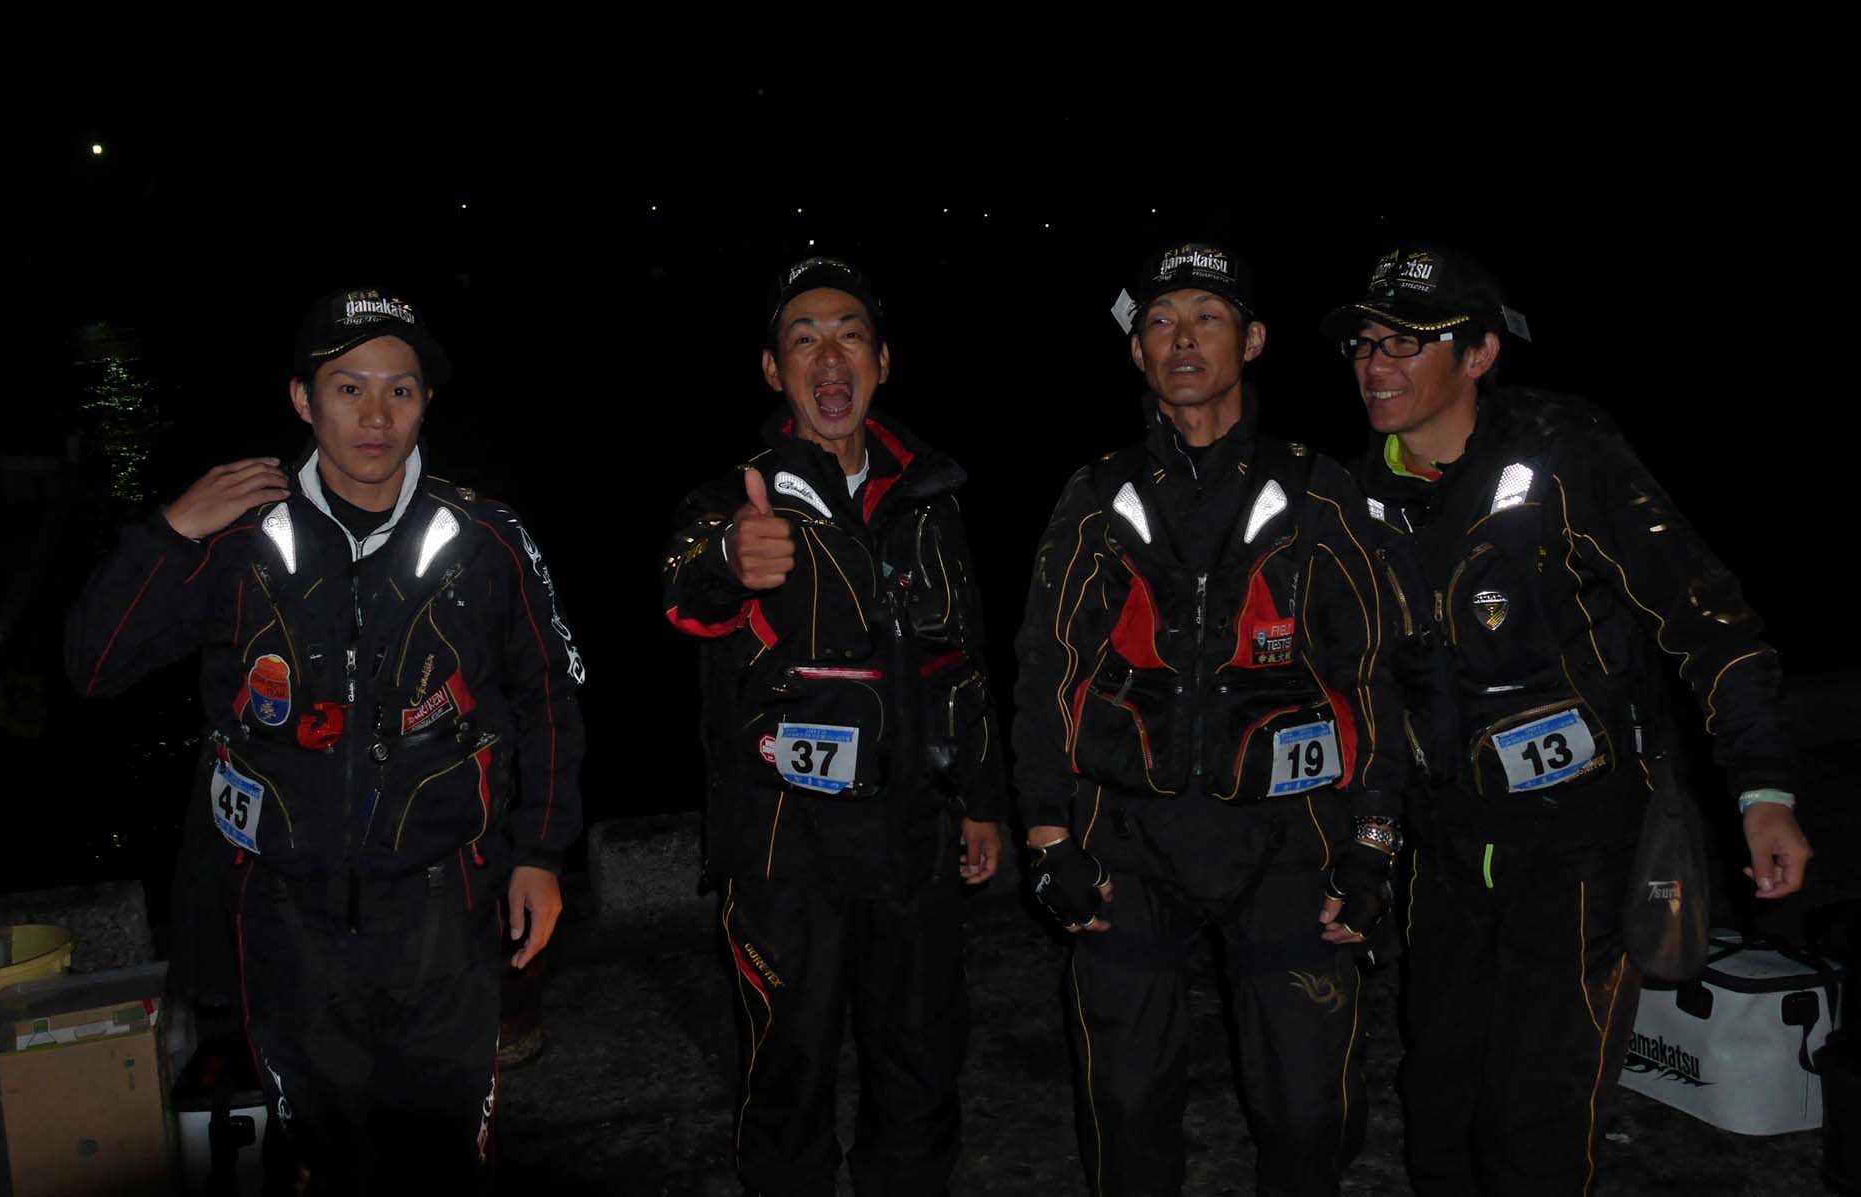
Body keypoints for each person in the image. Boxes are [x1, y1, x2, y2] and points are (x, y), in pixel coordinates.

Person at [64, 286, 585, 1191]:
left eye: (400, 390)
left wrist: (541, 851)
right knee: (322, 1157)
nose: (376, 417)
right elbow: (92, 664)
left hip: (443, 909)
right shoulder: (236, 537)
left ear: (426, 402)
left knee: (444, 1157)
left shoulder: (486, 537)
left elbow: (549, 697)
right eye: (349, 389)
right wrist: (168, 533)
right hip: (282, 915)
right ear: (303, 400)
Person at [1323, 244, 1813, 1194]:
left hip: (1585, 846)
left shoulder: (1565, 455)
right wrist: (1369, 850)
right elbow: (1368, 700)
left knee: (1535, 1123)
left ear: (1478, 354)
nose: (1376, 365)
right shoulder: (1354, 504)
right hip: (1449, 851)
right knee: (1440, 1104)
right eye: (1366, 342)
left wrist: (1764, 790)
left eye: (1406, 342)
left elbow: (1711, 625)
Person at [1013, 241, 1402, 1195]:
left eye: (1208, 317)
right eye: (1160, 321)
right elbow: (1045, 669)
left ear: (1253, 339)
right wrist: (1048, 832)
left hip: (1289, 840)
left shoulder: (1317, 489)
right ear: (1137, 352)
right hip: (1126, 840)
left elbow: (1374, 673)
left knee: (1310, 1113)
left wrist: (1375, 841)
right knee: (1124, 1108)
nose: (1182, 338)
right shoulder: (1095, 495)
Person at [660, 256, 1005, 1197]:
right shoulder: (731, 500)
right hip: (784, 850)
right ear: (774, 370)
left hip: (915, 836)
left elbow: (964, 655)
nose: (828, 355)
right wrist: (729, 558)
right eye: (802, 338)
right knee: (788, 1077)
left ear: (882, 360)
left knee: (923, 1068)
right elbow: (683, 586)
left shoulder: (930, 495)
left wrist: (981, 799)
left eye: (849, 333)